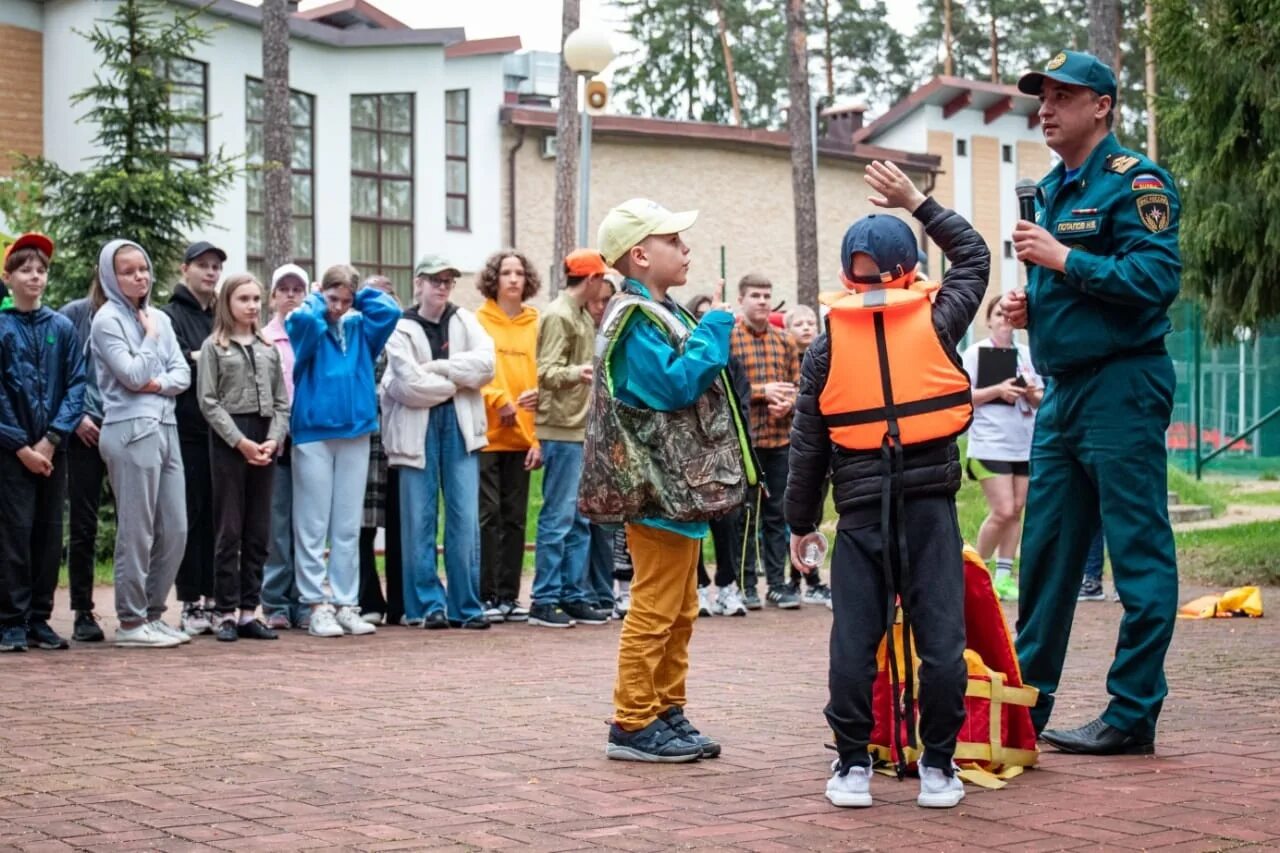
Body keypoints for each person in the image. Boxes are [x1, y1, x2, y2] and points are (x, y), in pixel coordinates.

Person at [787, 161, 989, 809]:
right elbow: (974, 257)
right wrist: (918, 202)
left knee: (853, 640)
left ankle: (852, 768)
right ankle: (937, 768)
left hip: (860, 519)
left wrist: (799, 522)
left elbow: (807, 445)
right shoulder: (937, 319)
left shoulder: (824, 348)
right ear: (909, 271)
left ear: (848, 275)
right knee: (941, 644)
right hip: (930, 512)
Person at [1004, 50, 1181, 756]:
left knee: (1137, 551)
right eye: (1041, 97)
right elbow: (1076, 284)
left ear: (1102, 105)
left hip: (1122, 384)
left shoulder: (1134, 180)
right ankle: (1025, 706)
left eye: (1063, 96)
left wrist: (1062, 260)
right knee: (1046, 554)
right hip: (1064, 390)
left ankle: (1132, 711)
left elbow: (1154, 277)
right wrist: (1032, 309)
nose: (1046, 107)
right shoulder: (1053, 187)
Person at [583, 198, 756, 762]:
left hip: (677, 493)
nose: (686, 250)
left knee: (680, 609)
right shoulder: (634, 320)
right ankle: (632, 721)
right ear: (640, 255)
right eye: (674, 242)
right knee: (655, 607)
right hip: (657, 490)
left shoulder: (664, 312)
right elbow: (675, 385)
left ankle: (665, 709)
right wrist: (716, 326)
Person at [381, 256, 494, 630]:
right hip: (418, 429)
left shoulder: (466, 320)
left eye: (448, 280)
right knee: (419, 518)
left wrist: (440, 368)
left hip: (461, 427)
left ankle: (466, 605)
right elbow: (406, 385)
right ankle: (427, 605)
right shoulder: (400, 327)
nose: (442, 287)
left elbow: (486, 367)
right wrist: (457, 384)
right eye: (434, 280)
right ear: (418, 283)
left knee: (464, 519)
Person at [287, 263, 400, 638]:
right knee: (313, 523)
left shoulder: (361, 327)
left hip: (356, 430)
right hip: (313, 432)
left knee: (348, 525)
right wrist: (320, 300)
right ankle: (316, 603)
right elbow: (300, 324)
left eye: (344, 300)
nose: (337, 306)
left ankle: (346, 602)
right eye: (332, 298)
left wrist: (358, 292)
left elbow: (390, 311)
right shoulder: (310, 323)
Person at [92, 239, 192, 648]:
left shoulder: (160, 318)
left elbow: (182, 373)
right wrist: (149, 341)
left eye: (143, 269)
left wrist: (158, 383)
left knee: (176, 528)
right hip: (130, 430)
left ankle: (153, 613)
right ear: (110, 277)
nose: (140, 277)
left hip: (166, 429)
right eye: (129, 271)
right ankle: (131, 621)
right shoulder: (107, 321)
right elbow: (132, 375)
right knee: (137, 530)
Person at [0, 234, 86, 652]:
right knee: (13, 534)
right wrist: (21, 446)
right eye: (25, 269)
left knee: (50, 534)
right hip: (11, 453)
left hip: (53, 451)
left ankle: (40, 617)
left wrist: (51, 440)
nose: (35, 276)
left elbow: (77, 385)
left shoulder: (62, 327)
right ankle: (10, 620)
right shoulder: (2, 328)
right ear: (8, 276)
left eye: (41, 270)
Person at [198, 273, 289, 641]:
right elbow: (208, 401)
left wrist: (272, 439)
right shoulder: (213, 347)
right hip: (229, 441)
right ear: (227, 304)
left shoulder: (268, 348)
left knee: (258, 528)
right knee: (229, 527)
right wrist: (239, 442)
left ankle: (250, 610)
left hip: (264, 438)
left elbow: (282, 401)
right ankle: (224, 612)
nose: (251, 306)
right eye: (243, 299)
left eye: (255, 299)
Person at [530, 249, 610, 628]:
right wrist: (576, 372)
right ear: (591, 279)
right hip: (561, 427)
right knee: (559, 515)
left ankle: (571, 593)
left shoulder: (577, 314)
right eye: (602, 279)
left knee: (578, 517)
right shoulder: (560, 315)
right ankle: (544, 598)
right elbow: (544, 370)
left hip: (579, 426)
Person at [961, 297, 1043, 602]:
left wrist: (1031, 393)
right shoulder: (975, 354)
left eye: (1009, 314)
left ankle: (1004, 578)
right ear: (989, 320)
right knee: (1003, 509)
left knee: (1017, 510)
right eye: (999, 314)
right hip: (989, 443)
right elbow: (963, 397)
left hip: (1022, 442)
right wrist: (998, 390)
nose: (1005, 319)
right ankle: (972, 575)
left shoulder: (1025, 354)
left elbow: (1039, 397)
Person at [475, 251, 542, 623]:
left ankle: (508, 595)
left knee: (515, 518)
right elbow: (475, 373)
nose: (513, 279)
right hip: (488, 434)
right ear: (494, 278)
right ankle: (485, 595)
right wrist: (497, 399)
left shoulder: (537, 323)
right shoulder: (478, 320)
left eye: (519, 273)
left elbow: (543, 376)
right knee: (489, 515)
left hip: (525, 438)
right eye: (505, 272)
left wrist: (538, 435)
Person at [162, 240, 224, 636]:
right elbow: (173, 364)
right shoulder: (169, 316)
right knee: (190, 515)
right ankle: (189, 601)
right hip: (186, 430)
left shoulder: (222, 315)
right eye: (203, 265)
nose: (211, 272)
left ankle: (216, 597)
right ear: (185, 269)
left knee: (220, 518)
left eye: (216, 266)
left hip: (222, 433)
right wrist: (199, 358)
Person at [730, 273, 802, 611]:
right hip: (744, 442)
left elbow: (799, 385)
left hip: (779, 440)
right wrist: (762, 392)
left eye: (767, 294)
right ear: (742, 299)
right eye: (756, 295)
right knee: (745, 516)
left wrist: (789, 401)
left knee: (777, 515)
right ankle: (746, 585)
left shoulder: (785, 341)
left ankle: (776, 584)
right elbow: (725, 388)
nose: (762, 300)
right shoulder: (729, 339)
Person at [59, 273, 110, 642]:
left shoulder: (144, 319)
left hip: (128, 430)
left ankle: (138, 613)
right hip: (83, 435)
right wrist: (77, 418)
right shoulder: (74, 316)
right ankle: (82, 610)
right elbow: (59, 373)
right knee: (83, 523)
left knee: (140, 524)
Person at [261, 264, 308, 630]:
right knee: (278, 522)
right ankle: (275, 599)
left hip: (311, 438)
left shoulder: (315, 334)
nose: (290, 294)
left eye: (298, 289)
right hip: (277, 440)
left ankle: (304, 599)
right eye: (284, 289)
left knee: (307, 523)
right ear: (273, 295)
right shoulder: (264, 339)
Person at [357, 274, 404, 627]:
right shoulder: (359, 334)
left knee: (401, 525)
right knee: (362, 526)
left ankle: (402, 600)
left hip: (401, 438)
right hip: (366, 440)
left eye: (387, 296)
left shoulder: (404, 336)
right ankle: (367, 597)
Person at [780, 303, 832, 604]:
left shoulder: (825, 358)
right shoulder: (785, 360)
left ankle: (809, 577)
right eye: (798, 323)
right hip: (787, 448)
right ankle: (793, 579)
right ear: (787, 330)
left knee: (815, 515)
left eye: (811, 321)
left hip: (819, 452)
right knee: (793, 516)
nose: (806, 327)